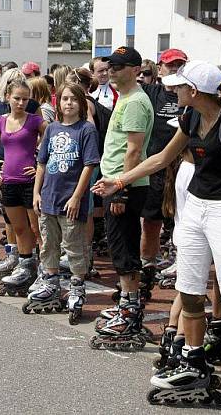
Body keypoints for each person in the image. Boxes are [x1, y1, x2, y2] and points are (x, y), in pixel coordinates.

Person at [93, 61, 221, 411]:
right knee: (191, 291)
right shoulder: (191, 117)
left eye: (179, 86)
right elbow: (162, 158)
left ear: (195, 92)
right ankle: (194, 363)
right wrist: (120, 181)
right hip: (196, 207)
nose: (172, 90)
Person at [90, 46, 154, 349]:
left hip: (124, 187)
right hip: (114, 183)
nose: (111, 71)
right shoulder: (125, 98)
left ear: (134, 69)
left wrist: (122, 190)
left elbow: (133, 150)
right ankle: (127, 305)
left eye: (118, 66)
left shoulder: (135, 102)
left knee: (124, 251)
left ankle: (130, 311)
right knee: (119, 249)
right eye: (109, 66)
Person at [29, 83, 99, 322]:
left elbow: (90, 164)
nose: (68, 103)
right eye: (64, 99)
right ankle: (50, 282)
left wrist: (78, 196)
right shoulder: (51, 129)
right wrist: (37, 192)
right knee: (49, 244)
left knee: (73, 246)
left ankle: (77, 286)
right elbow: (41, 163)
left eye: (73, 99)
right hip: (48, 197)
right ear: (58, 102)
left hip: (70, 199)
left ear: (81, 103)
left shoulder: (86, 130)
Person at [0, 80, 47, 295]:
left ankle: (45, 269)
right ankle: (26, 265)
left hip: (30, 182)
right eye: (17, 98)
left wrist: (40, 162)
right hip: (9, 182)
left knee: (37, 228)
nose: (21, 103)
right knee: (18, 228)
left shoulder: (35, 121)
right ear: (8, 98)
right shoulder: (1, 121)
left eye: (25, 99)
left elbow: (52, 137)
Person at [139, 48, 187, 293]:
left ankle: (181, 261)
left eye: (180, 65)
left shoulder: (190, 96)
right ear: (160, 68)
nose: (175, 69)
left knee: (184, 220)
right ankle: (147, 265)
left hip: (183, 168)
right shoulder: (150, 92)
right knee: (151, 220)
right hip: (155, 167)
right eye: (170, 65)